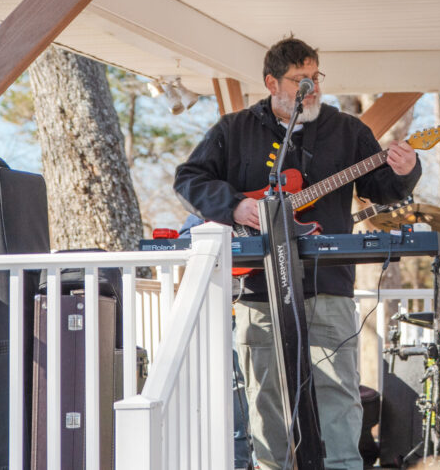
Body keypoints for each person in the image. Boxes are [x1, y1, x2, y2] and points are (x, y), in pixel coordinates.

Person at [174, 36, 421, 470]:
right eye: (299, 79)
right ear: (272, 82)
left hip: (327, 283)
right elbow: (189, 178)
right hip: (258, 287)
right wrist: (236, 205)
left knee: (338, 395)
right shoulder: (234, 130)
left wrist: (406, 171)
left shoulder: (349, 131)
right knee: (265, 394)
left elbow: (381, 190)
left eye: (315, 77)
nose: (311, 87)